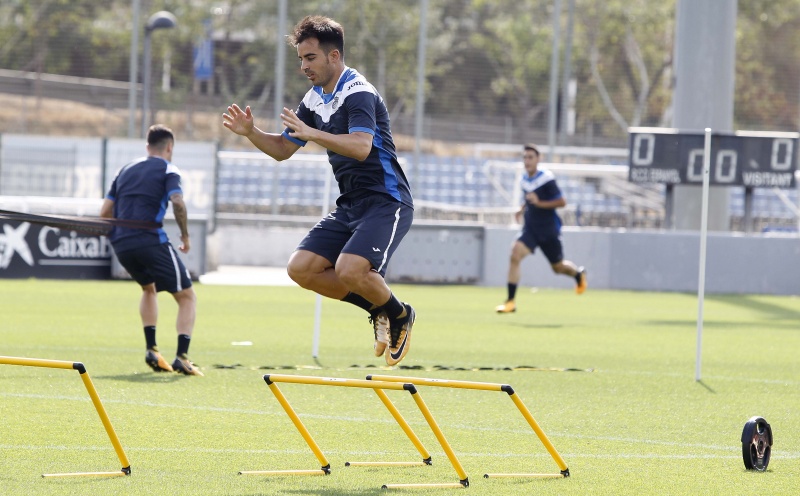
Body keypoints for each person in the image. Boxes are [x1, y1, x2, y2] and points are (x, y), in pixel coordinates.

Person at [222, 15, 416, 365]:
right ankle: (380, 307)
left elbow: (361, 147)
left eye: (310, 58)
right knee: (301, 268)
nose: (303, 67)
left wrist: (313, 134)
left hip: (386, 201)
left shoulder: (358, 92)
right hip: (350, 204)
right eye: (300, 59)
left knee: (349, 270)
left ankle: (400, 314)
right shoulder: (314, 99)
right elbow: (283, 149)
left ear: (334, 56)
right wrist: (251, 132)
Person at [100, 124, 202, 376]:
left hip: (121, 242)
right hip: (150, 238)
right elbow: (177, 201)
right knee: (187, 296)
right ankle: (182, 357)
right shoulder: (169, 169)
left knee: (148, 288)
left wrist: (118, 236)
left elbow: (104, 212)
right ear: (170, 147)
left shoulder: (125, 169)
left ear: (147, 147)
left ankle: (152, 350)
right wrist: (185, 235)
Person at [496, 143, 587, 313]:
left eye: (530, 157)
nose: (527, 161)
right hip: (530, 229)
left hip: (548, 230)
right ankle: (510, 302)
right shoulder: (524, 179)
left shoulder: (547, 179)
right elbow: (529, 198)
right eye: (525, 157)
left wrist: (539, 203)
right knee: (514, 254)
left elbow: (562, 202)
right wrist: (522, 209)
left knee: (558, 267)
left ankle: (578, 274)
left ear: (538, 159)